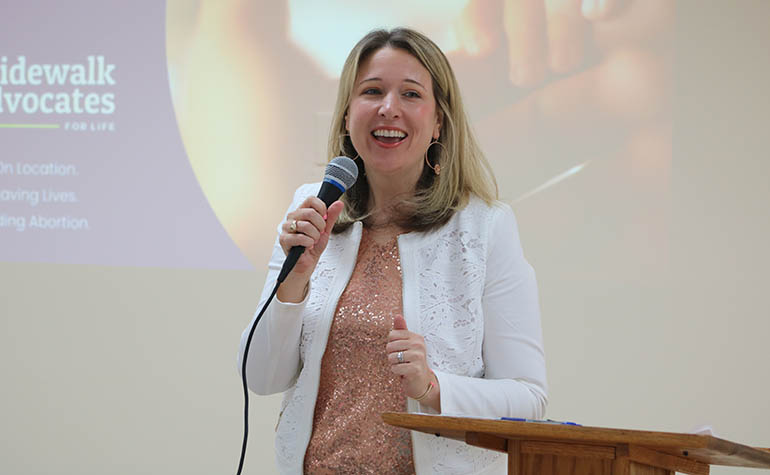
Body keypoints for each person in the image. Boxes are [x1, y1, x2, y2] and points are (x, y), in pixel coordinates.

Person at [238, 27, 547, 475]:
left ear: (438, 121)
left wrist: (433, 387)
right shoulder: (313, 211)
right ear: (347, 115)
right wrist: (294, 282)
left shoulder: (484, 227)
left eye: (411, 94)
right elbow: (261, 377)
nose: (388, 108)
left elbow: (529, 398)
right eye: (372, 91)